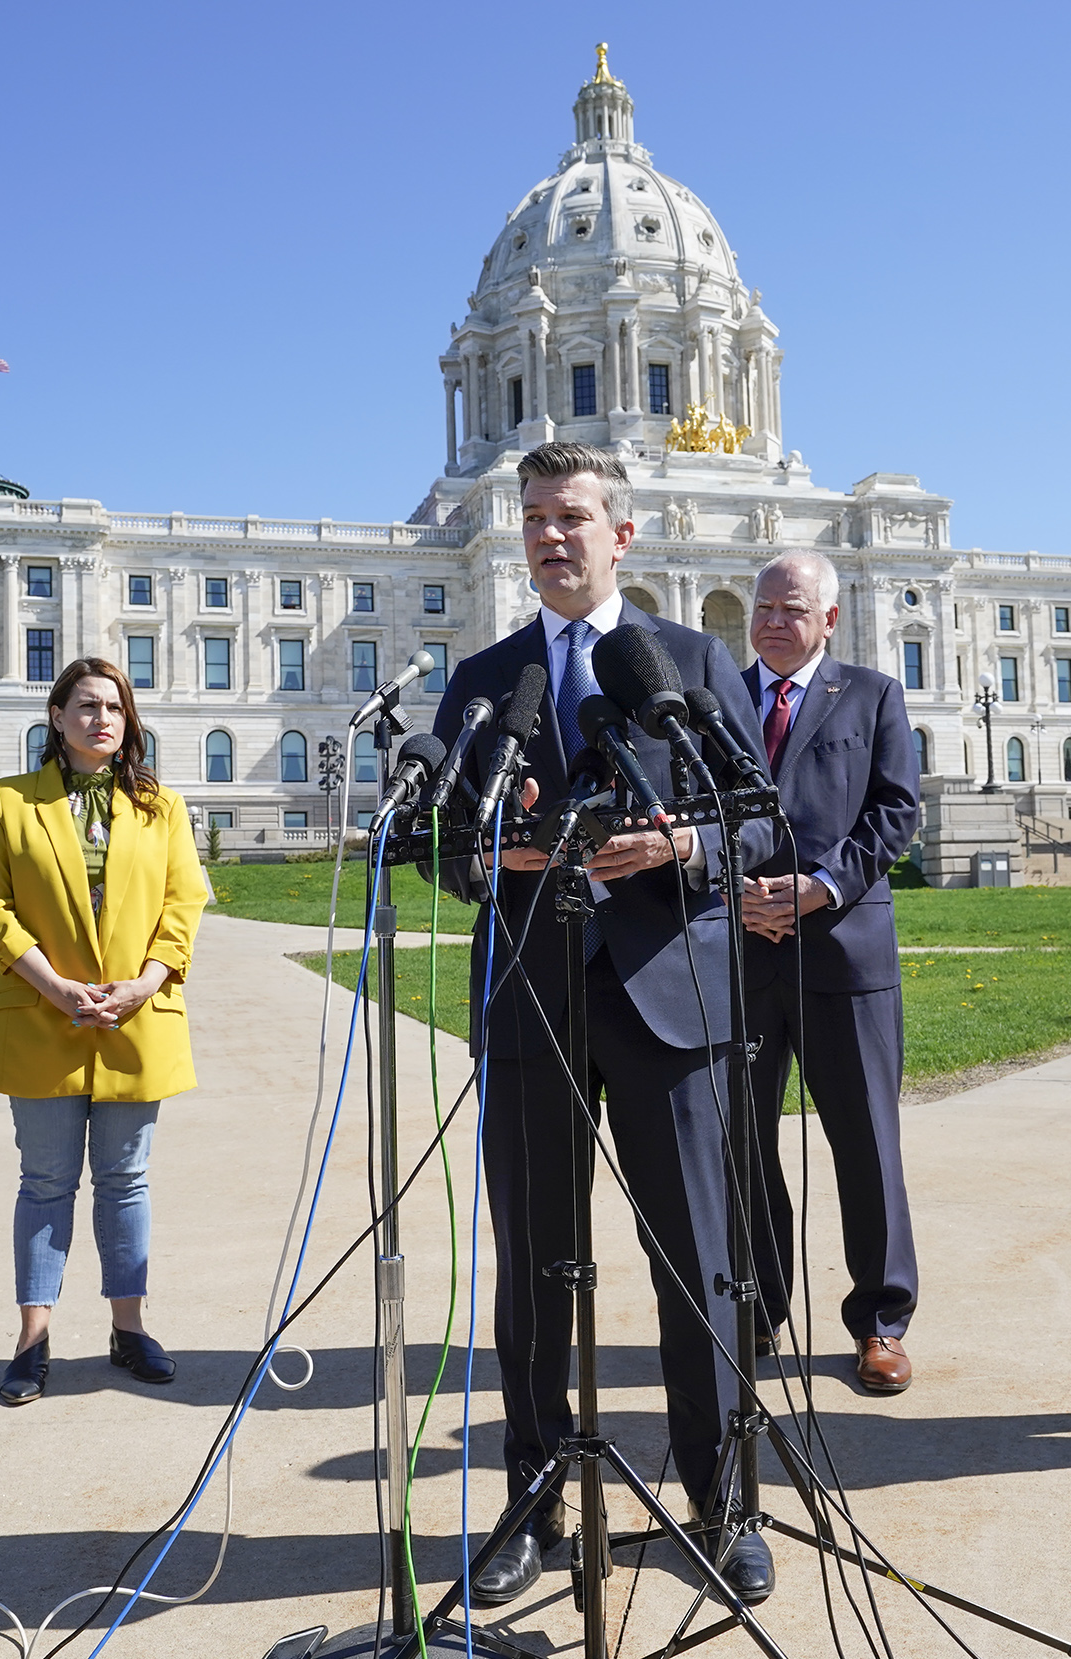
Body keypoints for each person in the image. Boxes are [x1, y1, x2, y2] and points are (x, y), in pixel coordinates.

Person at [429, 442, 779, 1606]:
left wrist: (678, 843)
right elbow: (442, 843)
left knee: (700, 1263)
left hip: (672, 1000)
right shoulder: (484, 675)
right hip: (533, 996)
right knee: (532, 1265)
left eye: (572, 515)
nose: (549, 536)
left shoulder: (687, 656)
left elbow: (759, 827)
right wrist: (491, 855)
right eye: (534, 517)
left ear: (621, 534)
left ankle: (724, 1502)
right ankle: (533, 1495)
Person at [0, 657, 207, 1406]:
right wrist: (57, 986)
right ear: (57, 716)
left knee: (124, 1179)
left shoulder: (161, 804)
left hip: (136, 1018)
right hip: (43, 1015)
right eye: (86, 705)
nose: (103, 718)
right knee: (45, 1183)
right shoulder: (7, 802)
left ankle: (129, 1329)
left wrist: (142, 985)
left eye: (115, 707)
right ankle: (32, 1341)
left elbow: (182, 903)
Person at [736, 551, 921, 1393]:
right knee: (740, 1142)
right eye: (764, 605)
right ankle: (758, 1306)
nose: (775, 620)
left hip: (844, 952)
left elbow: (894, 810)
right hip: (738, 950)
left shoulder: (874, 694)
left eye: (793, 607)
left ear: (830, 618)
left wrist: (820, 887)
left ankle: (881, 1321)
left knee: (866, 1145)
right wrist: (733, 890)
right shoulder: (718, 701)